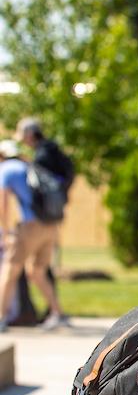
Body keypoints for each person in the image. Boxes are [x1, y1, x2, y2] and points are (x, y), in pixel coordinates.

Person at [0, 139, 67, 332]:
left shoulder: (6, 170)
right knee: (36, 272)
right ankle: (57, 313)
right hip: (50, 226)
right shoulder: (28, 166)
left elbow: (3, 204)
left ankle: (1, 318)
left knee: (9, 270)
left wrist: (6, 231)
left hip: (30, 226)